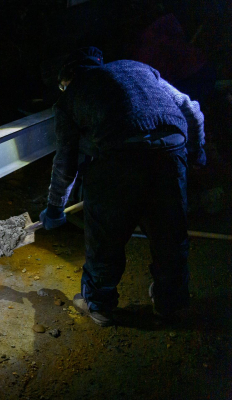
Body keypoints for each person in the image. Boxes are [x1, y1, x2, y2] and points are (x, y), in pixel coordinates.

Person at [39, 47, 206, 326]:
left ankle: (99, 305)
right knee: (169, 235)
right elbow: (192, 108)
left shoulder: (70, 97)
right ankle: (170, 303)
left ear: (68, 77)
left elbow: (66, 161)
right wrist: (195, 155)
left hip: (118, 160)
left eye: (61, 85)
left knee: (105, 238)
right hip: (170, 155)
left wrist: (55, 208)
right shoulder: (138, 69)